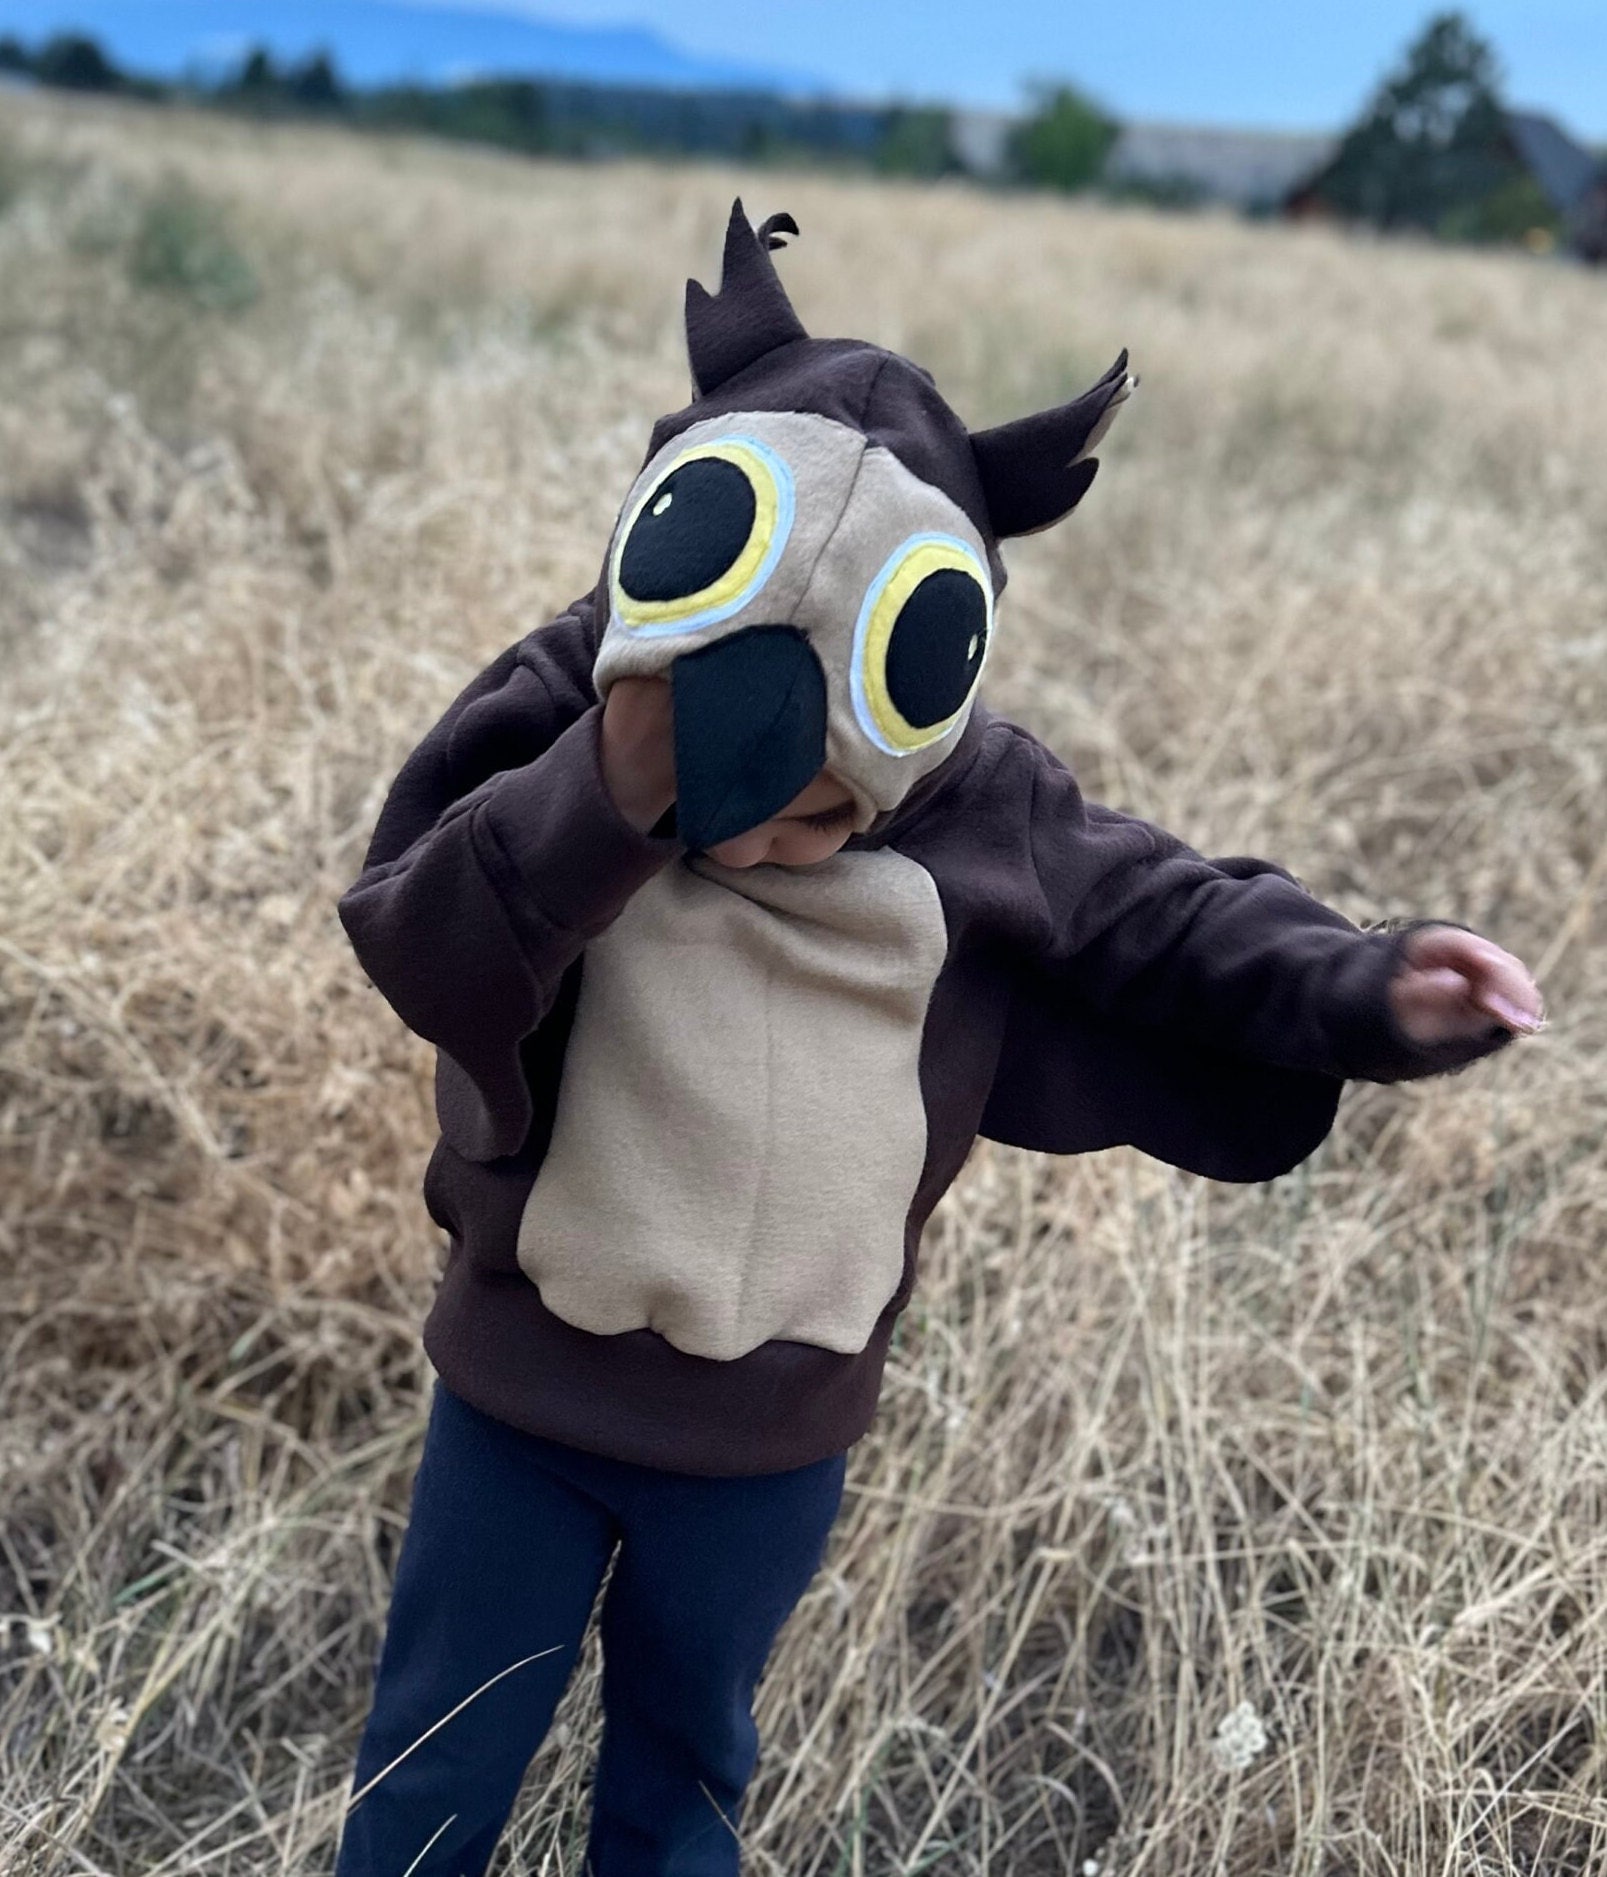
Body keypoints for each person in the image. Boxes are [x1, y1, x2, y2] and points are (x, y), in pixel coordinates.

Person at [330, 201, 1543, 1877]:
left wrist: (1364, 983)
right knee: (433, 1774)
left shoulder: (980, 805)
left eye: (819, 810)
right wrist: (606, 792)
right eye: (718, 793)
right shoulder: (565, 707)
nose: (754, 829)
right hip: (520, 1404)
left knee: (685, 1778)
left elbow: (1167, 917)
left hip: (771, 1445)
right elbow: (415, 926)